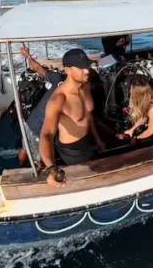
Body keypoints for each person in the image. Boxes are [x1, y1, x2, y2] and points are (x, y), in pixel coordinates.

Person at [39, 49, 106, 187]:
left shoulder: (85, 85)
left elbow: (88, 115)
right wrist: (51, 169)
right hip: (74, 151)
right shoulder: (59, 100)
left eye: (86, 66)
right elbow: (46, 135)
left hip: (89, 140)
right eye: (81, 68)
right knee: (84, 183)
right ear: (67, 70)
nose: (86, 71)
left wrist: (98, 138)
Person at [17, 46, 64, 166]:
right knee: (41, 160)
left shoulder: (58, 78)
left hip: (30, 121)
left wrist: (27, 56)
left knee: (25, 149)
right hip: (38, 129)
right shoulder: (69, 94)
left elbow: (37, 68)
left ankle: (20, 165)